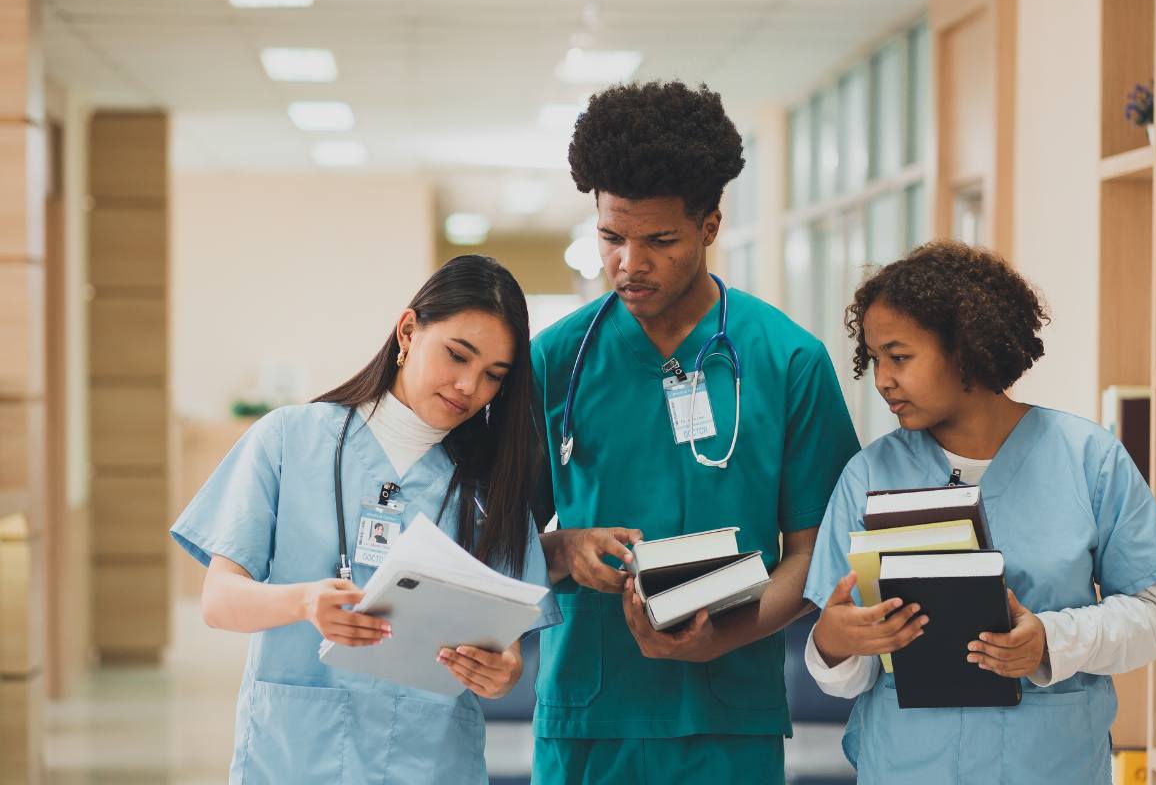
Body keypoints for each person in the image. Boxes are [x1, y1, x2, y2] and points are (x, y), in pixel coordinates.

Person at [531, 81, 861, 784]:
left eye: (660, 241)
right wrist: (563, 547)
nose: (629, 264)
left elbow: (820, 548)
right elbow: (491, 541)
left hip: (726, 720)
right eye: (611, 237)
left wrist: (723, 639)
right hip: (589, 716)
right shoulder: (555, 360)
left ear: (710, 225)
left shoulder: (787, 360)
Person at [804, 241, 1156, 784]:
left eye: (901, 356)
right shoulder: (868, 476)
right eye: (875, 358)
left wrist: (1049, 641)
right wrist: (835, 642)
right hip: (909, 766)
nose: (882, 378)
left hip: (1050, 765)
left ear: (966, 349)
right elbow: (849, 676)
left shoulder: (1089, 459)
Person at [170, 255, 561, 785]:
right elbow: (219, 602)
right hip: (293, 758)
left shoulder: (493, 486)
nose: (469, 386)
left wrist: (501, 673)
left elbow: (506, 650)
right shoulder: (288, 440)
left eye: (493, 375)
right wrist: (304, 602)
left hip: (431, 762)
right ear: (407, 331)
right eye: (457, 355)